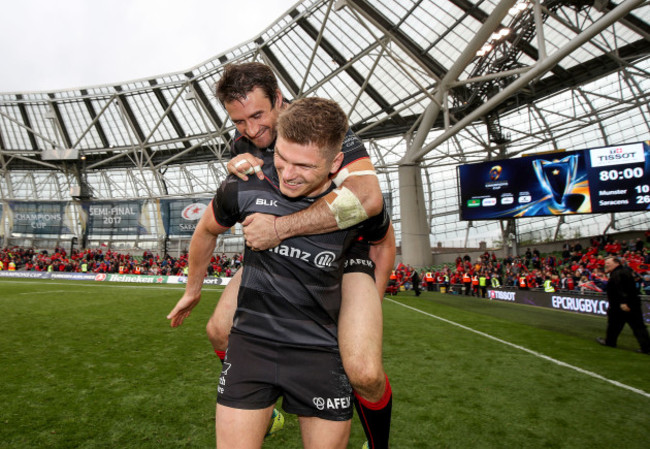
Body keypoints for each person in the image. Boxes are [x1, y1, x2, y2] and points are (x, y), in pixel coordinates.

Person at [168, 98, 395, 448]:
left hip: (338, 278)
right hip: (258, 331)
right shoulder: (247, 161)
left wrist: (370, 306)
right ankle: (266, 410)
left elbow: (377, 224)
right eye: (282, 158)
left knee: (363, 371)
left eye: (257, 115)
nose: (287, 174)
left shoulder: (351, 194)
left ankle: (379, 442)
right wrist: (192, 289)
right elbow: (207, 228)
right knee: (217, 329)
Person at [596, 257, 650, 354]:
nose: (606, 265)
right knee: (620, 326)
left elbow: (622, 288)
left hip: (622, 305)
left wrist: (624, 302)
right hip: (628, 304)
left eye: (608, 263)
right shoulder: (622, 272)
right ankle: (646, 348)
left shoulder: (619, 273)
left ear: (616, 263)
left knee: (633, 326)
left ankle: (610, 342)